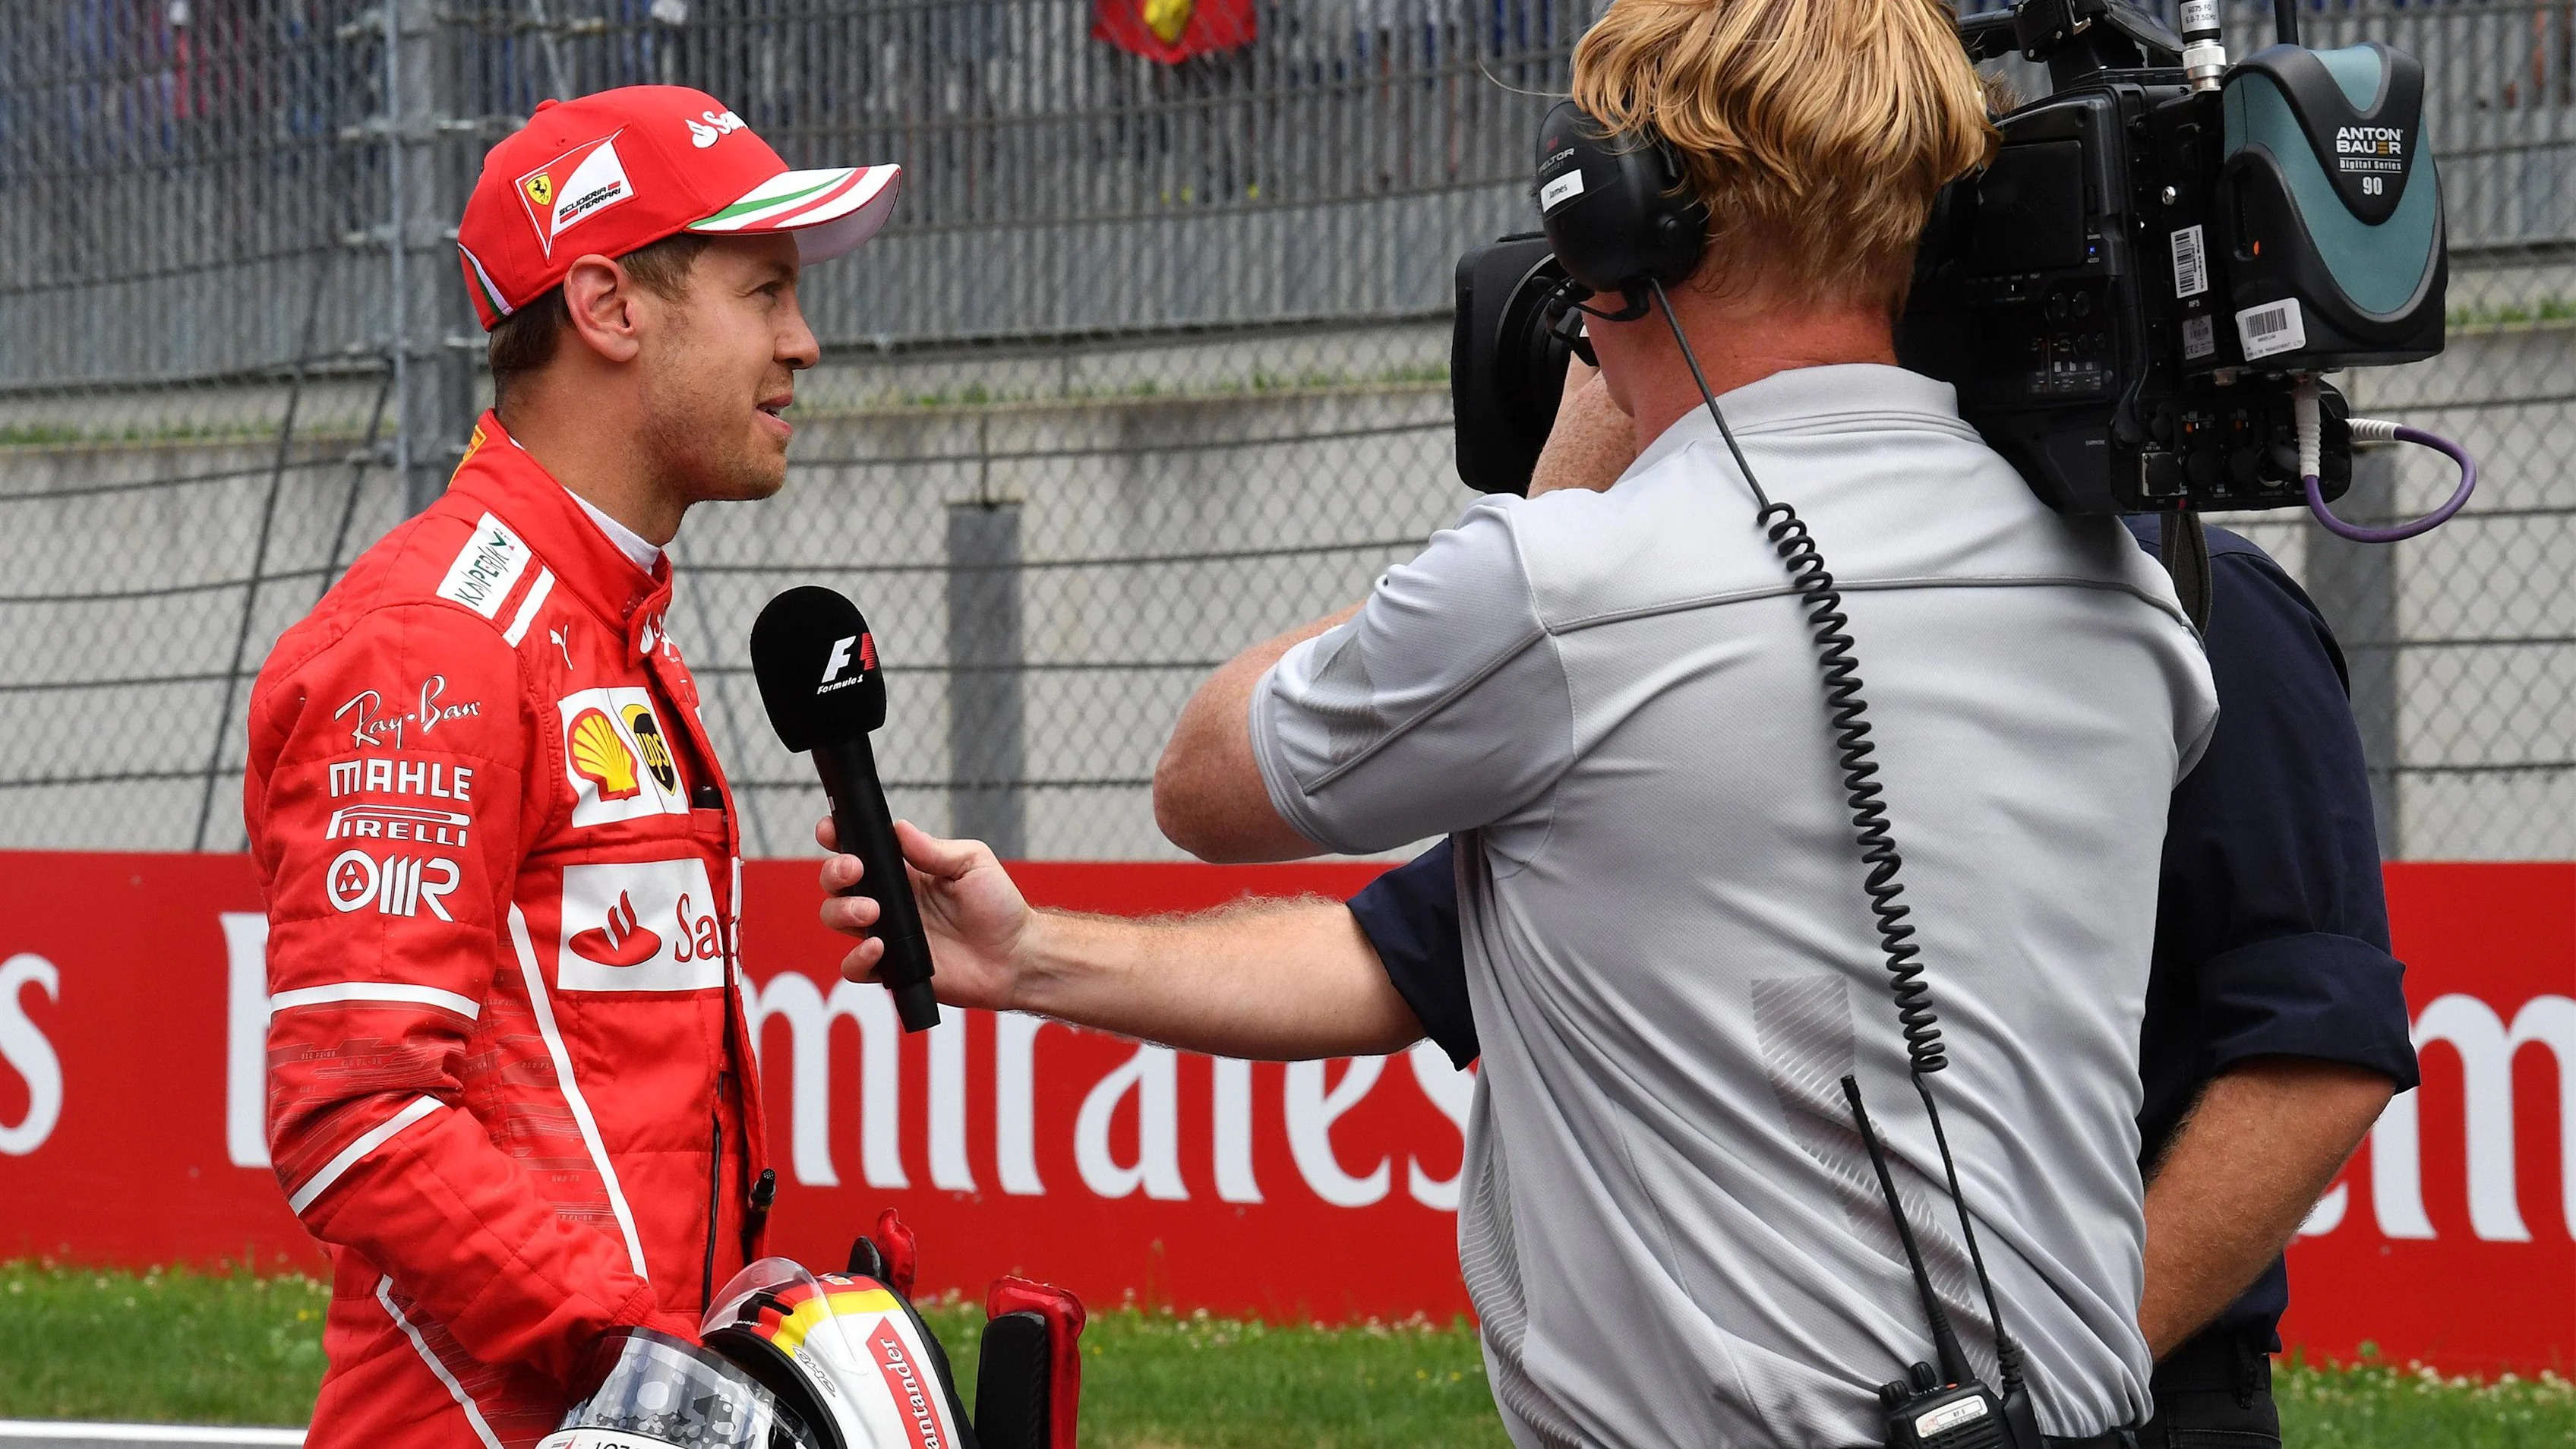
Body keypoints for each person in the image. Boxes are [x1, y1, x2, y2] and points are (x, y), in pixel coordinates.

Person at [828, 0, 2220, 1442]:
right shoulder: (2128, 600)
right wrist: (1035, 954)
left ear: (1618, 223)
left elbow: (1205, 780)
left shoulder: (1571, 590)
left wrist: (1567, 474)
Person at [243, 85, 898, 1445]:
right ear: (607, 307)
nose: (804, 340)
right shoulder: (435, 641)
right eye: (764, 292)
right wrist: (645, 1363)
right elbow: (354, 1109)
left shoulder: (608, 620)